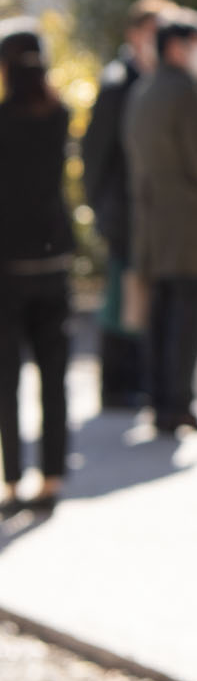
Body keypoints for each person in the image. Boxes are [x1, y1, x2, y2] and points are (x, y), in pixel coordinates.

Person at [122, 11, 197, 437]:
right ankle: (180, 405)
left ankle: (161, 403)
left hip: (152, 224)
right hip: (187, 224)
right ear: (176, 47)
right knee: (185, 318)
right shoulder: (184, 91)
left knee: (161, 316)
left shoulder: (144, 90)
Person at [81, 0, 174, 408]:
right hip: (122, 210)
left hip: (148, 211)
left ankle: (137, 382)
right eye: (151, 30)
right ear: (133, 34)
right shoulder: (118, 81)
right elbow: (95, 152)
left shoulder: (154, 79)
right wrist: (101, 208)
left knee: (141, 297)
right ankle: (115, 386)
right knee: (121, 297)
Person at [0, 31, 74, 516]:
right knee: (54, 374)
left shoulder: (2, 121)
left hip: (8, 261)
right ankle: (51, 478)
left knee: (7, 376)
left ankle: (11, 481)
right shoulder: (60, 116)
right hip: (55, 256)